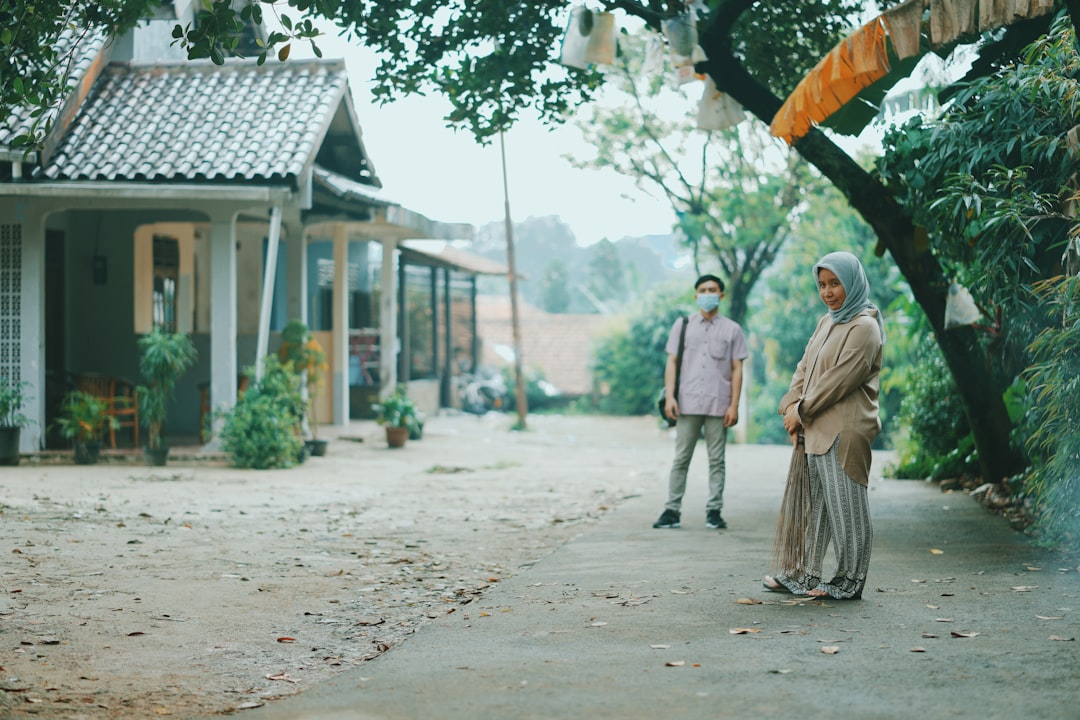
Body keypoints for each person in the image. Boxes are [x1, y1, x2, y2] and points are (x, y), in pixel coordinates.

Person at [763, 251, 885, 600]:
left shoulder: (864, 326)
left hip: (844, 431)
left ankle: (849, 581)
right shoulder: (827, 321)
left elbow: (837, 382)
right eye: (822, 285)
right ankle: (806, 575)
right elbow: (805, 368)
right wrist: (790, 402)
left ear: (853, 283)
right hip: (814, 426)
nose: (828, 292)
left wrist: (799, 411)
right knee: (817, 508)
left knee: (848, 508)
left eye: (835, 284)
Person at [653, 274, 748, 530]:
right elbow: (672, 362)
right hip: (687, 402)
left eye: (713, 289)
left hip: (719, 404)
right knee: (681, 458)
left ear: (721, 295)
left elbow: (737, 368)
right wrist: (671, 396)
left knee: (717, 460)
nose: (708, 293)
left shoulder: (732, 330)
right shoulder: (682, 326)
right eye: (703, 290)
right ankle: (672, 510)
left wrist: (734, 405)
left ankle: (714, 511)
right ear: (696, 295)